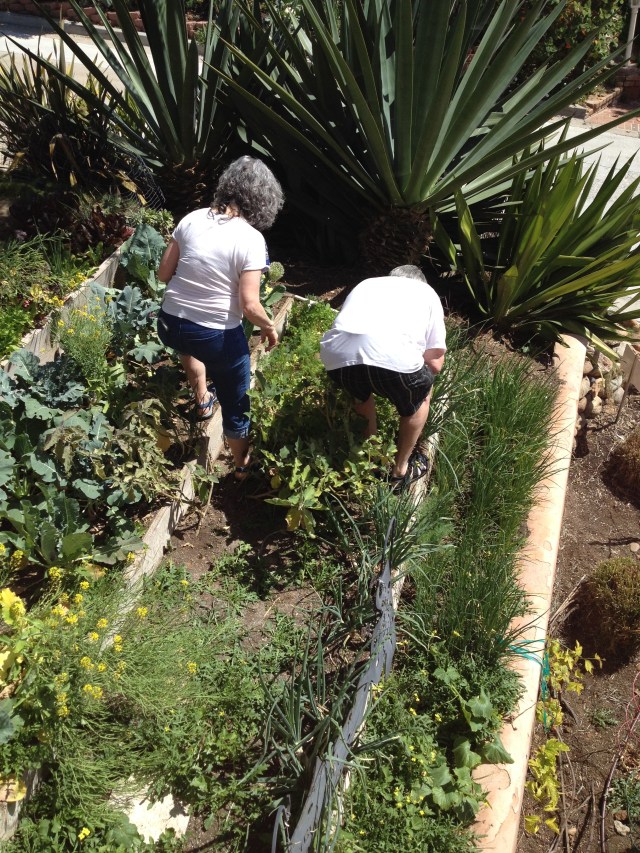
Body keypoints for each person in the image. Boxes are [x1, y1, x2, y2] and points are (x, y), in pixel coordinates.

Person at [156, 155, 284, 480]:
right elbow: (251, 305)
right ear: (262, 199)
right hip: (214, 335)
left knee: (189, 342)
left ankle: (202, 399)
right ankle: (242, 467)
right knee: (237, 397)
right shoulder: (251, 239)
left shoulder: (192, 218)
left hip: (169, 323)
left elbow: (162, 273)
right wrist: (269, 327)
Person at [319, 265, 446, 487]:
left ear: (391, 278)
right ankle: (400, 471)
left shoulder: (368, 283)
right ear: (421, 282)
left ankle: (372, 459)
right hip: (395, 358)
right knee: (423, 394)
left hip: (338, 356)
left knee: (361, 394)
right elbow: (434, 362)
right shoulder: (426, 293)